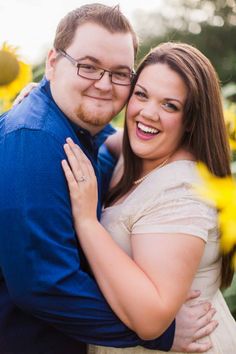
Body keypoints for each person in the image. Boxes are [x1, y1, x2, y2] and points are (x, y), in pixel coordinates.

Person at [0, 4, 216, 354]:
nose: (103, 84)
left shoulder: (80, 129)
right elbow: (43, 284)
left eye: (119, 74)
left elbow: (114, 143)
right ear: (53, 63)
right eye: (87, 67)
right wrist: (160, 334)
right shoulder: (35, 140)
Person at [61, 42, 236, 354]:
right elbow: (109, 137)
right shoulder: (141, 154)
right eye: (141, 95)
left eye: (170, 105)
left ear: (192, 119)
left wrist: (88, 222)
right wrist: (47, 97)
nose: (147, 113)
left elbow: (151, 320)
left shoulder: (181, 193)